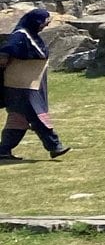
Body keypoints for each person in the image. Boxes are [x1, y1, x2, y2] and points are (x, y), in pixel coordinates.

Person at [0, 8, 67, 161]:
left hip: (29, 84)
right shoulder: (21, 35)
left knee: (18, 119)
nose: (44, 26)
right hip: (19, 85)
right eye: (43, 22)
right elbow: (7, 50)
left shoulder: (31, 36)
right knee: (37, 116)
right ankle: (54, 146)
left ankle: (3, 150)